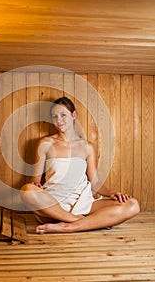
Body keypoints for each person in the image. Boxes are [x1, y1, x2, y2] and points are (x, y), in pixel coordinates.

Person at [20, 97, 140, 234]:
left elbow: (94, 182)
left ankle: (68, 227)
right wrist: (35, 184)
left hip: (83, 203)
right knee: (27, 190)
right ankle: (80, 221)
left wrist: (111, 193)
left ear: (74, 115)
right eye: (55, 116)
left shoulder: (87, 147)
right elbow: (35, 179)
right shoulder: (45, 144)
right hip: (53, 205)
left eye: (63, 115)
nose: (59, 120)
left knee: (132, 205)